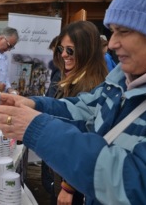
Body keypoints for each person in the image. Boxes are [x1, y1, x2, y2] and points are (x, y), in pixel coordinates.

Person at [0, 0, 146, 205]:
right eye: (61, 50)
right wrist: (34, 104)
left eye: (124, 31)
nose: (113, 42)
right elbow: (85, 111)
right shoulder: (120, 80)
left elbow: (136, 184)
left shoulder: (104, 77)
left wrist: (37, 128)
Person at [41, 21, 108, 205]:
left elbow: (85, 138)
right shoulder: (75, 76)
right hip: (64, 168)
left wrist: (67, 187)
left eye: (70, 50)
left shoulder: (89, 85)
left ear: (86, 50)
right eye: (61, 49)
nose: (63, 54)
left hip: (74, 179)